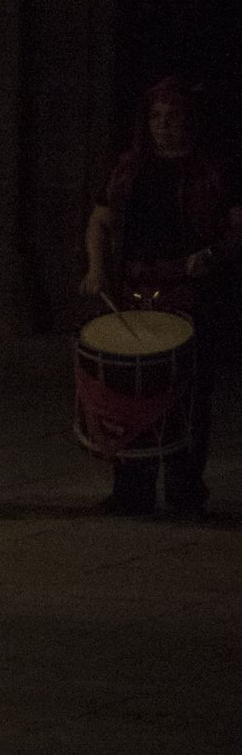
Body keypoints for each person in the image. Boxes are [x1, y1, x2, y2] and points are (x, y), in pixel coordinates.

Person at [84, 76, 237, 516]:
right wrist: (96, 268)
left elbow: (238, 225)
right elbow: (99, 221)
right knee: (134, 391)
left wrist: (213, 254)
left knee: (185, 392)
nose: (163, 126)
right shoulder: (130, 169)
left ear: (190, 120)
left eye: (172, 117)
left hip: (189, 292)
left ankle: (185, 489)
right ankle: (131, 489)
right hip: (135, 289)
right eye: (155, 117)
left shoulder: (213, 170)